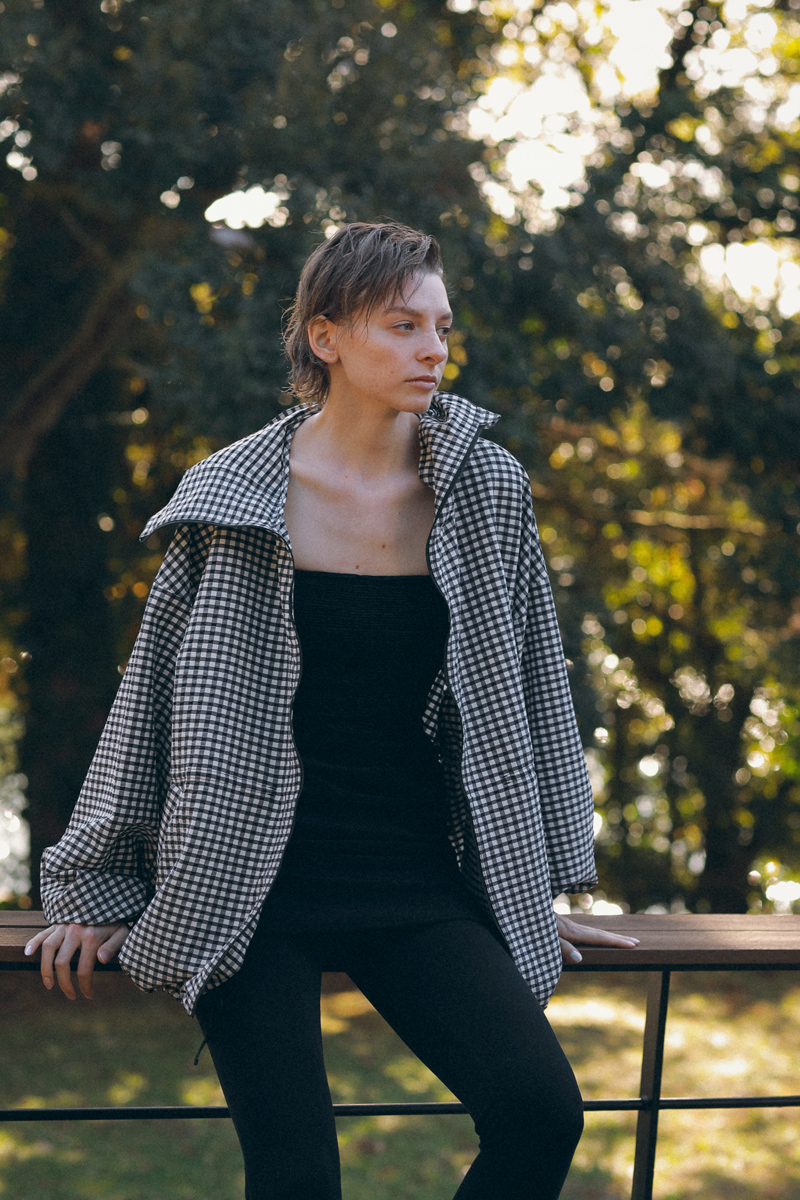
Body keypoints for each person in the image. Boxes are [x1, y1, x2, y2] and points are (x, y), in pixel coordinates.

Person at [25, 221, 637, 1199]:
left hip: (411, 877)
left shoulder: (485, 490)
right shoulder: (229, 497)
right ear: (326, 337)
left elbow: (531, 687)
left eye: (441, 327)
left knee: (538, 1113)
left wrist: (533, 884)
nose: (433, 349)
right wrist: (96, 888)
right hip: (245, 884)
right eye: (402, 325)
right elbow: (151, 701)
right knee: (297, 1175)